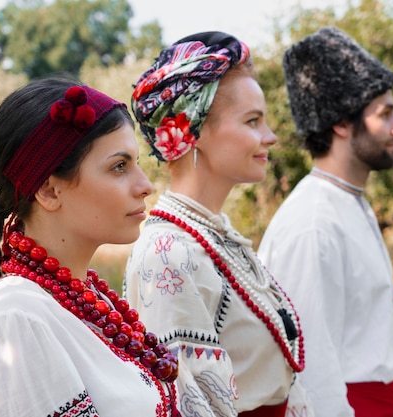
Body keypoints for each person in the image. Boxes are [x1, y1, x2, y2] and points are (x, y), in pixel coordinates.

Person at [0, 76, 180, 417]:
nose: (145, 185)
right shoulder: (17, 318)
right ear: (49, 191)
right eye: (119, 166)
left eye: (137, 163)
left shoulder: (86, 298)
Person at [124, 31, 312, 417]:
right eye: (253, 121)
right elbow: (181, 403)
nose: (270, 137)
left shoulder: (214, 236)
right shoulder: (168, 254)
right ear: (195, 130)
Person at [258, 27, 393, 417]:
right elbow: (310, 368)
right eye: (385, 114)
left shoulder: (347, 202)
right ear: (341, 123)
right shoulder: (313, 222)